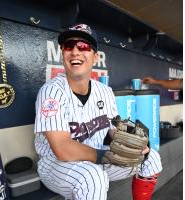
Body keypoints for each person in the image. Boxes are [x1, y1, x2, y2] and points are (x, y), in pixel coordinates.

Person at [34, 23, 162, 200]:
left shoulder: (104, 91)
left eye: (83, 46)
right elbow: (62, 149)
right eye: (69, 46)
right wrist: (106, 156)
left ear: (95, 57)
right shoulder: (52, 91)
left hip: (96, 158)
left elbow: (113, 128)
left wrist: (135, 142)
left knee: (151, 158)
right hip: (56, 164)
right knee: (92, 177)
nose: (75, 52)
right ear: (63, 53)